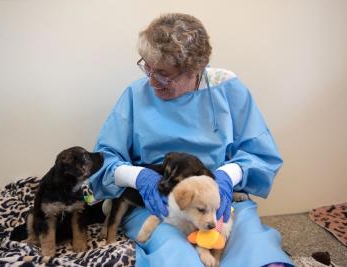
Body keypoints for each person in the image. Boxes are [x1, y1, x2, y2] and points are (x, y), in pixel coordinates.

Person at [89, 13, 294, 267]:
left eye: (164, 74)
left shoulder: (227, 90)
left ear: (196, 69)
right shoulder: (135, 94)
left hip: (217, 202)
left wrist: (226, 178)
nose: (152, 81)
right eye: (148, 68)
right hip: (155, 204)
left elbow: (261, 154)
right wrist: (138, 178)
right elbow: (103, 160)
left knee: (254, 248)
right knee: (176, 252)